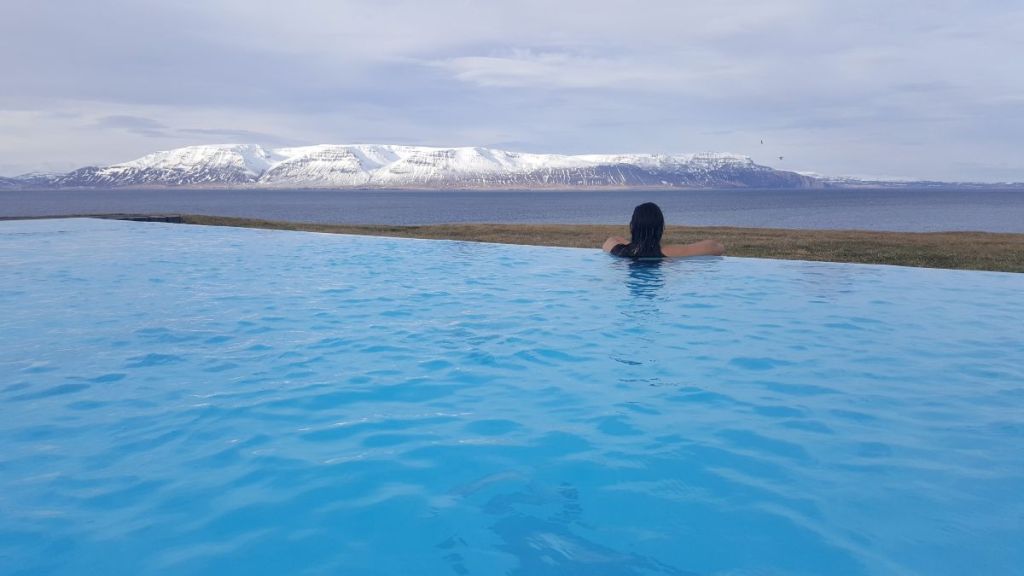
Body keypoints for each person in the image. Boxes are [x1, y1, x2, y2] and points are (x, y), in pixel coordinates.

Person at [602, 202, 725, 259]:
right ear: (660, 228)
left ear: (632, 226)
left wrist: (635, 245)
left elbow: (612, 239)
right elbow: (717, 248)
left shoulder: (619, 250)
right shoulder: (669, 252)